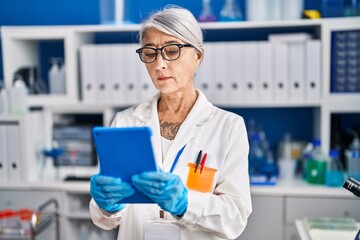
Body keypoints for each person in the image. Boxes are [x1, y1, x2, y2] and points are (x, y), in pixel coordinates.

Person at [89, 5, 252, 240]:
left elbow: (235, 218)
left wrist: (185, 203)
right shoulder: (124, 121)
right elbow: (105, 219)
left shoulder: (228, 127)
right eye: (150, 52)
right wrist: (107, 205)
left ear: (198, 56)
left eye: (172, 50)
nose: (159, 64)